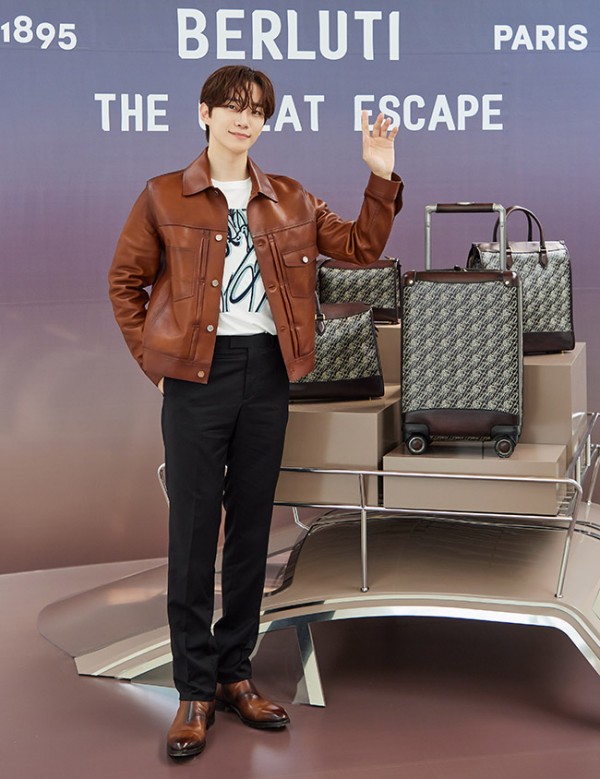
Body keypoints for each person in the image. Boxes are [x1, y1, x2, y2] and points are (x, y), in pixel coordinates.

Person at [109, 64, 402, 759]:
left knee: (249, 529)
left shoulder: (291, 198)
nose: (244, 119)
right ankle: (193, 690)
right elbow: (125, 281)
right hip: (196, 378)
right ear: (204, 114)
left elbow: (359, 248)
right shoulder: (163, 195)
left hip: (267, 374)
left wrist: (379, 177)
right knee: (192, 532)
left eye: (256, 110)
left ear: (265, 123)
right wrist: (156, 365)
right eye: (232, 107)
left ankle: (234, 674)